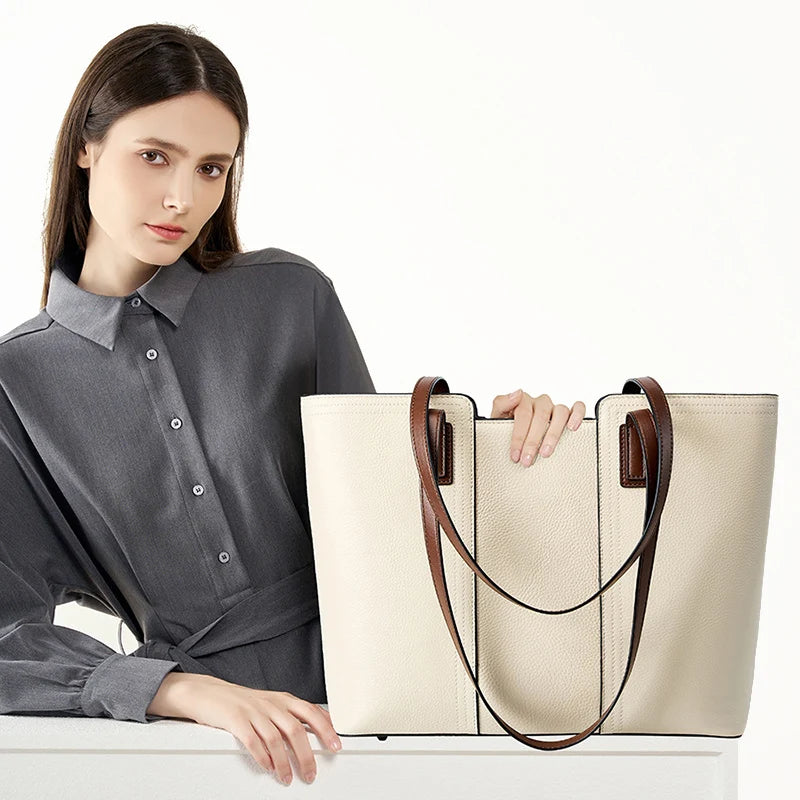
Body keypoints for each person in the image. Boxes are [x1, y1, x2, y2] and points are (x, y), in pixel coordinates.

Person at [0, 23, 586, 787]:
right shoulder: (19, 381)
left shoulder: (289, 298)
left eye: (212, 168)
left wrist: (499, 448)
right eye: (154, 156)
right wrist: (177, 691)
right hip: (202, 752)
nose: (183, 197)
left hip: (398, 710)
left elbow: (388, 511)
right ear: (86, 145)